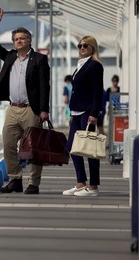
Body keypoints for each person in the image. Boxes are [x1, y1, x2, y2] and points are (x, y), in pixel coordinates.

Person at [0, 8, 50, 194]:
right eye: (16, 39)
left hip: (32, 109)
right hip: (13, 109)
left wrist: (44, 110)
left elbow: (44, 86)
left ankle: (33, 183)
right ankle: (15, 179)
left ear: (29, 41)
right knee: (8, 144)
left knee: (33, 148)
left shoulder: (39, 59)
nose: (18, 41)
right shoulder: (10, 57)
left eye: (22, 38)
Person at [63, 36, 104, 197]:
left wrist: (94, 113)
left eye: (85, 45)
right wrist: (72, 112)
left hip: (88, 112)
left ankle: (93, 186)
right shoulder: (81, 65)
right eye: (79, 45)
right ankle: (81, 182)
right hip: (76, 111)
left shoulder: (94, 66)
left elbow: (97, 91)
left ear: (92, 47)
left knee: (90, 149)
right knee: (72, 147)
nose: (81, 48)